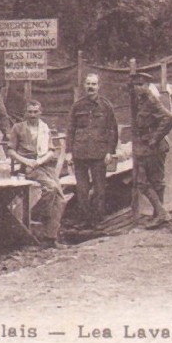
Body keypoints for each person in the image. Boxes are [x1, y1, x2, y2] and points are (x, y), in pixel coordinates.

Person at [7, 100, 67, 248]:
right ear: (26, 113)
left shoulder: (44, 128)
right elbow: (11, 151)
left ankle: (50, 238)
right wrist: (27, 162)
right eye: (30, 112)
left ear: (40, 112)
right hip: (27, 167)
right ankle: (37, 214)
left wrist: (40, 161)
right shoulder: (18, 128)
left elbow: (52, 150)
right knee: (52, 188)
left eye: (35, 112)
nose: (32, 115)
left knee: (60, 200)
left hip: (44, 166)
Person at [66, 73, 119, 227]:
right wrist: (69, 152)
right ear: (84, 86)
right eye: (88, 84)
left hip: (99, 153)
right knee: (82, 190)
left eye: (94, 84)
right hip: (80, 152)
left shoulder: (106, 106)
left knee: (99, 189)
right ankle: (84, 220)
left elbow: (112, 130)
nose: (91, 87)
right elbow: (70, 129)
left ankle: (97, 221)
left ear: (99, 86)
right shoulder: (77, 106)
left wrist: (110, 151)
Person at [131, 71, 172, 230]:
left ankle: (160, 215)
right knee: (143, 182)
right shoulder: (140, 100)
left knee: (154, 182)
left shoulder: (151, 100)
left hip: (154, 147)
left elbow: (169, 118)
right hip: (145, 147)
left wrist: (154, 138)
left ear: (148, 85)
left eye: (141, 84)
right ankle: (161, 213)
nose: (138, 87)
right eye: (136, 84)